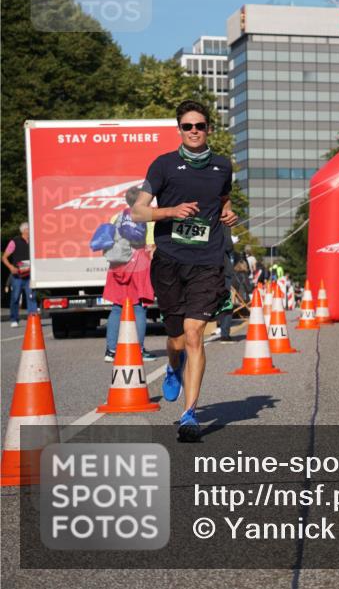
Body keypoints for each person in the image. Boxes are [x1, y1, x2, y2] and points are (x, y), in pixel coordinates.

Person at [131, 100, 237, 442]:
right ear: (179, 129)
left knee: (195, 333)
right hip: (170, 260)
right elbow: (137, 212)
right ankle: (173, 365)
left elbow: (224, 200)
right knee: (176, 338)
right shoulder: (163, 165)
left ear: (209, 129)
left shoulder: (222, 166)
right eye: (188, 126)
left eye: (200, 126)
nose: (194, 131)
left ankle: (190, 414)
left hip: (207, 260)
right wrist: (171, 211)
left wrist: (228, 214)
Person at [102, 187, 157, 362]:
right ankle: (138, 349)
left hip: (118, 265)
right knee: (139, 307)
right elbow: (151, 246)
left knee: (117, 307)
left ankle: (111, 351)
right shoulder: (148, 218)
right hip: (139, 264)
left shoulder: (116, 217)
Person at [2, 222, 36, 327]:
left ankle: (32, 318)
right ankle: (14, 319)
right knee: (15, 297)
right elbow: (4, 257)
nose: (31, 231)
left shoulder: (33, 241)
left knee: (31, 297)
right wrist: (11, 267)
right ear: (25, 230)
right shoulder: (14, 241)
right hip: (17, 276)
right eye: (29, 229)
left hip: (30, 275)